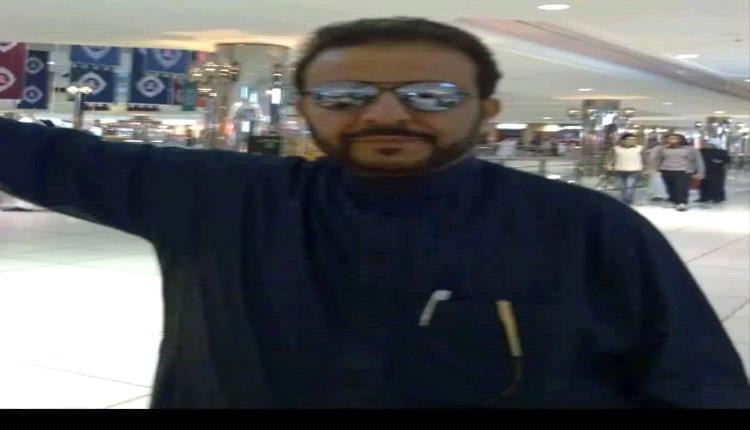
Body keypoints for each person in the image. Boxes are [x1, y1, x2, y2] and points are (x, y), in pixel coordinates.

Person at [0, 18, 747, 409]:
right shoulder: (223, 201)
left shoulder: (587, 228)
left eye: (430, 96)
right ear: (305, 110)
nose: (386, 114)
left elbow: (696, 385)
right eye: (345, 96)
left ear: (486, 111)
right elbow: (36, 154)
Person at [651, 133, 705, 211]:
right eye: (670, 138)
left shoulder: (690, 149)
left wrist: (700, 172)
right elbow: (657, 159)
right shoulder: (662, 149)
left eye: (675, 138)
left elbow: (698, 161)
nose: (672, 140)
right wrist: (655, 168)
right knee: (670, 188)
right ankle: (674, 201)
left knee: (682, 187)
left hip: (684, 171)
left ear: (680, 140)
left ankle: (682, 203)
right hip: (666, 170)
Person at [605, 133, 647, 205]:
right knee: (622, 187)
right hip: (620, 170)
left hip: (634, 170)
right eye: (629, 139)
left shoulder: (640, 148)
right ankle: (623, 201)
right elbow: (610, 157)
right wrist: (609, 165)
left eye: (634, 140)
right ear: (623, 140)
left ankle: (627, 201)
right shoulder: (616, 148)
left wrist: (645, 169)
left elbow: (644, 159)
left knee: (629, 186)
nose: (632, 141)